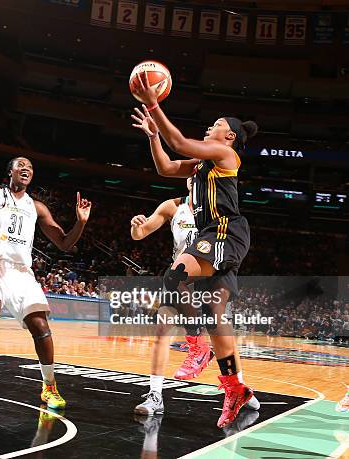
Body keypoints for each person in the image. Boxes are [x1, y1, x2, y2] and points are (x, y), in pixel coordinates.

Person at [131, 73, 257, 428]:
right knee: (216, 316)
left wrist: (154, 106)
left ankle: (195, 344)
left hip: (224, 232)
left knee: (175, 277)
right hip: (213, 236)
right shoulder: (203, 165)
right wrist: (154, 137)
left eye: (216, 125)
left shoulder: (224, 153)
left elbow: (182, 144)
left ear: (229, 136)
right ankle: (234, 388)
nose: (209, 127)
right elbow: (167, 166)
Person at [0, 157, 92, 413]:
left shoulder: (37, 208)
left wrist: (81, 222)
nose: (26, 169)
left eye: (30, 168)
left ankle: (49, 386)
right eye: (21, 165)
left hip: (20, 271)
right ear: (10, 171)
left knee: (40, 325)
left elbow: (65, 244)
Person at [131, 179, 259, 417]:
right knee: (162, 330)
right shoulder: (172, 206)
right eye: (191, 174)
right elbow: (141, 234)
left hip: (210, 279)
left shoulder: (217, 208)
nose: (194, 178)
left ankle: (238, 387)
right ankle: (155, 395)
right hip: (181, 280)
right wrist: (136, 227)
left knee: (223, 336)